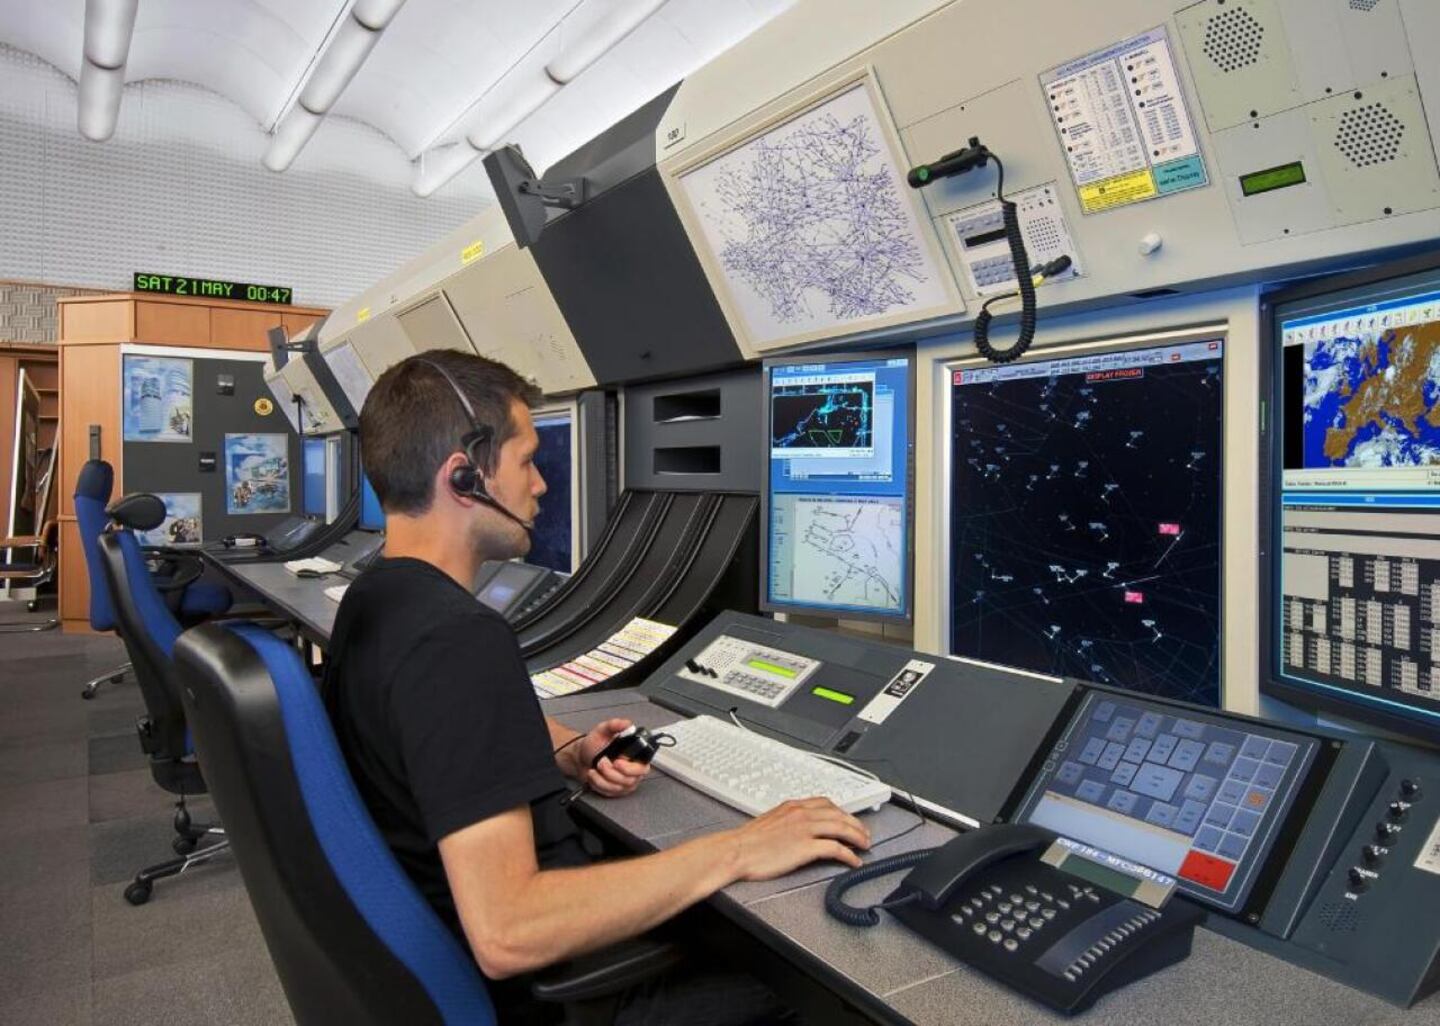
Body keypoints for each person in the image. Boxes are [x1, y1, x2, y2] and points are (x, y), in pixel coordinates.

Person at [323, 350, 872, 1024]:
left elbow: (436, 740)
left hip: (472, 961)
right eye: (527, 461)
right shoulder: (457, 640)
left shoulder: (380, 601)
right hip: (568, 996)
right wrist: (741, 847)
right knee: (837, 987)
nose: (540, 486)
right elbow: (507, 929)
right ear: (464, 475)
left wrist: (565, 748)